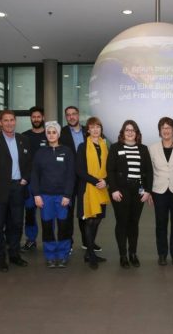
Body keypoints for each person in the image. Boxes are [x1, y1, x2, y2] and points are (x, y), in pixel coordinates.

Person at [0, 110, 31, 272]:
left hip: (18, 188)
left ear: (15, 121)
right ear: (0, 123)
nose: (9, 123)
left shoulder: (24, 140)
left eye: (12, 120)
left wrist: (25, 178)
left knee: (17, 224)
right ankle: (0, 258)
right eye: (6, 120)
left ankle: (14, 254)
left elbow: (29, 163)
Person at [107, 120, 153, 269]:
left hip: (138, 191)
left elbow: (149, 171)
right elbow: (110, 171)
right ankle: (123, 255)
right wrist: (113, 189)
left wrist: (147, 190)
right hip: (120, 191)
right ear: (123, 132)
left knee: (134, 223)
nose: (130, 132)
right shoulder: (115, 148)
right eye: (127, 130)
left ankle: (133, 253)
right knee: (122, 223)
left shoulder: (143, 149)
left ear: (137, 133)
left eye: (133, 130)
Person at [31, 121, 75, 268]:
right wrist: (36, 195)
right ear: (46, 134)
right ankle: (50, 255)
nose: (51, 135)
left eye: (54, 132)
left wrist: (67, 195)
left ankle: (63, 254)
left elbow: (71, 175)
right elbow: (35, 175)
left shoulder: (67, 151)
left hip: (62, 197)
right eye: (48, 132)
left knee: (63, 227)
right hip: (45, 197)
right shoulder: (40, 153)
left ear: (58, 134)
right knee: (48, 227)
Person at [76, 117, 111, 269]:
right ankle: (91, 254)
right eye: (92, 127)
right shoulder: (82, 147)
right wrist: (96, 181)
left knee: (97, 220)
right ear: (88, 130)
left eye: (98, 127)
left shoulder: (105, 146)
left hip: (101, 189)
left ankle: (89, 252)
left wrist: (106, 180)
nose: (96, 129)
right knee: (89, 221)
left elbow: (110, 168)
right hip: (88, 189)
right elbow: (79, 170)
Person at [59, 106, 95, 252]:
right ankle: (68, 242)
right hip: (68, 178)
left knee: (85, 211)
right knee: (67, 212)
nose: (71, 117)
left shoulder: (89, 131)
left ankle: (87, 242)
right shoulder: (61, 133)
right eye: (68, 115)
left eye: (74, 114)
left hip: (85, 178)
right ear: (66, 117)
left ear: (78, 115)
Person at [148, 117, 173, 266]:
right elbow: (148, 172)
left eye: (169, 128)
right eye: (163, 128)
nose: (166, 131)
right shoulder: (152, 148)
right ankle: (162, 254)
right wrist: (148, 192)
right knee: (160, 223)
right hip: (159, 191)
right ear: (159, 131)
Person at [21, 106, 47, 252]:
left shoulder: (50, 135)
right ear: (30, 118)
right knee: (30, 213)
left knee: (47, 213)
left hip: (47, 183)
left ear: (43, 118)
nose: (36, 119)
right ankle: (31, 240)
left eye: (39, 116)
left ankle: (49, 240)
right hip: (30, 182)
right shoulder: (24, 136)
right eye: (34, 117)